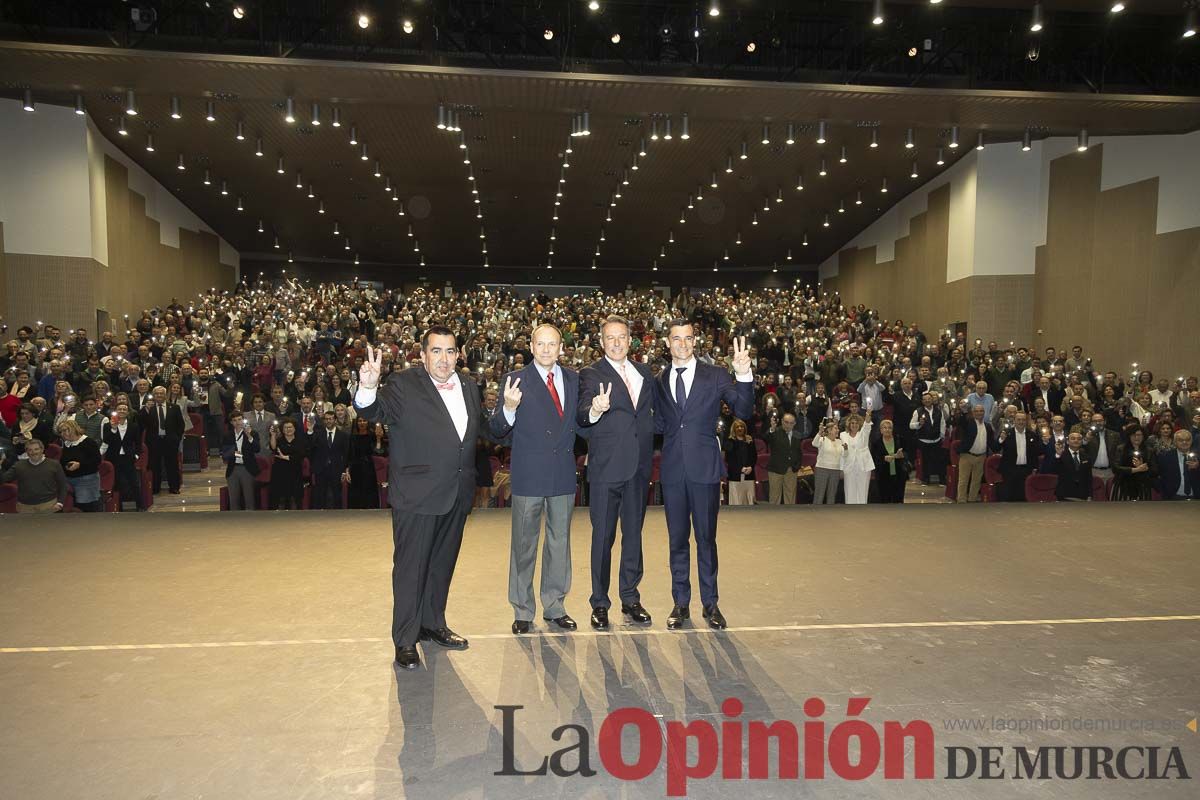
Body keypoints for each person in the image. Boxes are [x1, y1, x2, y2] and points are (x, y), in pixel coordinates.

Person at [355, 329, 486, 671]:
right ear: (424, 355)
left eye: (450, 351)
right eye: (437, 351)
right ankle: (405, 639)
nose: (444, 359)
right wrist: (368, 387)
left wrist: (512, 411)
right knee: (411, 569)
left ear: (459, 355)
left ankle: (432, 623)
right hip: (416, 494)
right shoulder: (403, 384)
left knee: (441, 565)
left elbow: (481, 432)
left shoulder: (470, 387)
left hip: (456, 493)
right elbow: (374, 412)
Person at [654, 325, 753, 630]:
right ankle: (680, 604)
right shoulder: (658, 380)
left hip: (705, 469)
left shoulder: (716, 375)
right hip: (672, 471)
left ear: (695, 342)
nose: (682, 344)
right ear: (667, 343)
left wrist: (743, 375)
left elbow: (744, 409)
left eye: (687, 338)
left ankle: (710, 605)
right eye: (676, 338)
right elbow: (657, 423)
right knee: (677, 541)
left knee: (706, 539)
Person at [489, 323, 586, 635]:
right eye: (540, 344)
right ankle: (522, 609)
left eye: (552, 344)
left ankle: (555, 607)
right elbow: (497, 429)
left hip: (561, 473)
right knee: (524, 544)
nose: (546, 349)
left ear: (561, 348)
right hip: (529, 474)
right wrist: (508, 408)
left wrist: (596, 413)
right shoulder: (515, 380)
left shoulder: (573, 379)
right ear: (530, 347)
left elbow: (583, 425)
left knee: (559, 544)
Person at [577, 315, 656, 631]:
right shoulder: (590, 374)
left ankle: (631, 598)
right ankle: (599, 602)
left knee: (634, 537)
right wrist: (595, 409)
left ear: (630, 340)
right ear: (601, 342)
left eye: (622, 336)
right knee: (603, 538)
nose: (617, 342)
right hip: (607, 469)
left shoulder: (644, 373)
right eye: (610, 337)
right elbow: (583, 414)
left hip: (638, 468)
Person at [139, 386, 185, 495]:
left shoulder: (174, 407)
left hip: (170, 441)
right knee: (154, 465)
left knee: (172, 465)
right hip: (154, 441)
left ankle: (174, 487)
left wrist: (176, 438)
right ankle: (155, 488)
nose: (159, 395)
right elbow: (142, 424)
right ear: (154, 396)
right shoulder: (149, 408)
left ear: (165, 395)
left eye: (161, 393)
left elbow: (180, 425)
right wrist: (146, 410)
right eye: (157, 394)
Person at [0, 438, 66, 513]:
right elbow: (2, 480)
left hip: (49, 506)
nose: (33, 452)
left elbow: (63, 485)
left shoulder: (54, 464)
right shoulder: (19, 465)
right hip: (25, 508)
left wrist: (60, 503)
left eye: (36, 449)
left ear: (42, 449)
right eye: (30, 450)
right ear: (26, 452)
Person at [100, 402, 144, 511]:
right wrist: (113, 429)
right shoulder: (107, 425)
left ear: (128, 412)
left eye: (124, 409)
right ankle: (118, 507)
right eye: (120, 409)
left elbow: (138, 443)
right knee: (116, 484)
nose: (122, 411)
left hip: (128, 458)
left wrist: (136, 456)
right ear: (116, 411)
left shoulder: (134, 426)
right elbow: (106, 440)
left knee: (134, 482)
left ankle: (140, 506)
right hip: (113, 458)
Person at [955, 404, 997, 503]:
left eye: (981, 411)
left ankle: (972, 500)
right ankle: (961, 501)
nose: (979, 413)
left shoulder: (987, 426)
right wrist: (964, 412)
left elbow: (991, 443)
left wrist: (1001, 441)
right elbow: (961, 422)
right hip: (967, 455)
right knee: (963, 480)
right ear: (973, 413)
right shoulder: (969, 423)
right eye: (977, 411)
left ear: (984, 412)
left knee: (976, 481)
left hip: (981, 457)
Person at [57, 419, 103, 511]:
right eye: (61, 432)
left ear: (73, 429)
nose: (63, 434)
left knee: (85, 506)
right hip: (69, 479)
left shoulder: (88, 442)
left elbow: (97, 460)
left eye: (65, 430)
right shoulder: (67, 444)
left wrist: (80, 465)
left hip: (86, 479)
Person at [996, 411, 1041, 502]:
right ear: (1014, 421)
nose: (1021, 422)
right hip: (1009, 470)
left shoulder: (1032, 435)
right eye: (1019, 420)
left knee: (1023, 498)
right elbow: (996, 448)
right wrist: (1001, 439)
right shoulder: (1006, 434)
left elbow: (1035, 453)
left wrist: (1035, 468)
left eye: (1023, 420)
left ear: (1026, 421)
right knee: (1009, 498)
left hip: (1026, 470)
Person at [221, 409, 260, 510]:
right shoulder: (227, 435)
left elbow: (257, 449)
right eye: (235, 420)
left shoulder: (253, 433)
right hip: (233, 469)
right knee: (233, 499)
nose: (238, 422)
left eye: (239, 419)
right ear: (231, 422)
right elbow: (224, 453)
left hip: (247, 468)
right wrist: (235, 453)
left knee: (249, 498)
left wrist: (249, 436)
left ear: (243, 420)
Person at [310, 410, 350, 509]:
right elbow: (311, 450)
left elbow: (346, 454)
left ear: (335, 420)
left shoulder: (343, 435)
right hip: (321, 470)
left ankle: (338, 517)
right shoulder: (318, 434)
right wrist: (310, 432)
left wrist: (345, 470)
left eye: (330, 419)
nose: (328, 421)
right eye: (326, 419)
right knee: (320, 496)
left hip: (336, 469)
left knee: (337, 495)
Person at [764, 411, 805, 504]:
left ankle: (790, 516)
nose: (788, 425)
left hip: (791, 470)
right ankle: (774, 517)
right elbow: (766, 438)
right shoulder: (775, 431)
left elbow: (798, 452)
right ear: (782, 421)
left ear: (794, 424)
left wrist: (797, 465)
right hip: (776, 469)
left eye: (791, 423)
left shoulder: (797, 434)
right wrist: (772, 429)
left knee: (790, 496)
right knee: (774, 497)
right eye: (786, 422)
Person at [1041, 431, 1093, 501]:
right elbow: (1054, 470)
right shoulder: (1061, 455)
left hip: (1082, 495)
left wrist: (1090, 495)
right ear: (1067, 442)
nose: (1076, 440)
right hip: (1064, 494)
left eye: (1079, 439)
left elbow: (1089, 478)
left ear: (1081, 442)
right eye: (1073, 438)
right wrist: (1058, 454)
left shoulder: (1086, 457)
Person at [268, 418, 306, 510]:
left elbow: (301, 455)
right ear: (282, 429)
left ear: (294, 429)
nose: (288, 429)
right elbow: (273, 448)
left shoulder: (300, 440)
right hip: (280, 471)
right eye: (285, 428)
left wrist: (287, 457)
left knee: (294, 498)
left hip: (295, 471)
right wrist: (273, 435)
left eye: (290, 427)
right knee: (281, 498)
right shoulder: (279, 440)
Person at [910, 392, 947, 484]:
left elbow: (942, 423)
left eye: (929, 399)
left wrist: (942, 435)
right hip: (924, 440)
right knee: (925, 461)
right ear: (922, 401)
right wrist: (919, 424)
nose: (927, 401)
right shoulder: (918, 411)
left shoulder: (938, 410)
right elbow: (911, 425)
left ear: (932, 400)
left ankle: (941, 479)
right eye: (925, 399)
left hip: (936, 440)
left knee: (939, 461)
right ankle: (926, 479)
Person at [870, 418, 907, 503]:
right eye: (885, 427)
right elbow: (874, 458)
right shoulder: (876, 443)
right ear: (881, 430)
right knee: (884, 499)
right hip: (883, 475)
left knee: (898, 499)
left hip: (899, 474)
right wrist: (884, 458)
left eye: (889, 428)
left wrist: (902, 455)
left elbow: (907, 453)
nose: (887, 429)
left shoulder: (899, 440)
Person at [839, 413, 874, 504]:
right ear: (849, 425)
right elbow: (843, 454)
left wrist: (868, 414)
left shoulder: (863, 434)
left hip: (863, 465)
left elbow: (867, 427)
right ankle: (850, 511)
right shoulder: (843, 435)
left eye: (856, 423)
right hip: (849, 465)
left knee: (863, 490)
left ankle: (862, 511)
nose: (854, 425)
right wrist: (841, 468)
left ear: (860, 425)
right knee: (849, 489)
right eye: (852, 423)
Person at [346, 416, 380, 509]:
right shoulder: (352, 437)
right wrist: (347, 470)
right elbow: (349, 454)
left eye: (364, 421)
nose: (362, 423)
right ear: (356, 423)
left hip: (368, 467)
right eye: (359, 421)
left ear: (368, 423)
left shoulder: (372, 436)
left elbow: (378, 451)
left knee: (369, 490)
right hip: (355, 468)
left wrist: (378, 439)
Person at [1111, 428, 1153, 502]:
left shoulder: (1149, 450)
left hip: (1143, 486)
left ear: (1143, 436)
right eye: (1134, 435)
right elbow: (1115, 468)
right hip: (1122, 484)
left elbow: (1155, 470)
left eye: (1139, 435)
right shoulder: (1121, 449)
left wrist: (1145, 468)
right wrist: (1136, 470)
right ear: (1129, 436)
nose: (1136, 437)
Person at [1156, 429, 1198, 500]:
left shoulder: (1198, 456)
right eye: (1181, 440)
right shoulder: (1165, 456)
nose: (1184, 442)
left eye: (1188, 440)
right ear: (1175, 442)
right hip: (1173, 497)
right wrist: (1163, 491)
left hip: (1196, 497)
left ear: (1192, 441)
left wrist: (1198, 467)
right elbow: (1156, 475)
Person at [724, 418, 757, 506]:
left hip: (749, 474)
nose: (740, 428)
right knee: (736, 500)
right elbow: (729, 459)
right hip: (735, 476)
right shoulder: (730, 441)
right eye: (737, 427)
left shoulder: (750, 441)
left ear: (744, 428)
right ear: (734, 429)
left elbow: (754, 457)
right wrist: (740, 469)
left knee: (749, 501)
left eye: (742, 426)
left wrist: (751, 467)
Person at [813, 419, 844, 504]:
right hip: (822, 469)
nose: (838, 430)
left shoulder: (840, 441)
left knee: (832, 494)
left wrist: (841, 469)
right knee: (819, 494)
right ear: (829, 431)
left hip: (836, 470)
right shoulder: (822, 439)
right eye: (835, 428)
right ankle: (815, 513)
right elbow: (814, 444)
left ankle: (830, 514)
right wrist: (819, 432)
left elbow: (843, 456)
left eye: (837, 428)